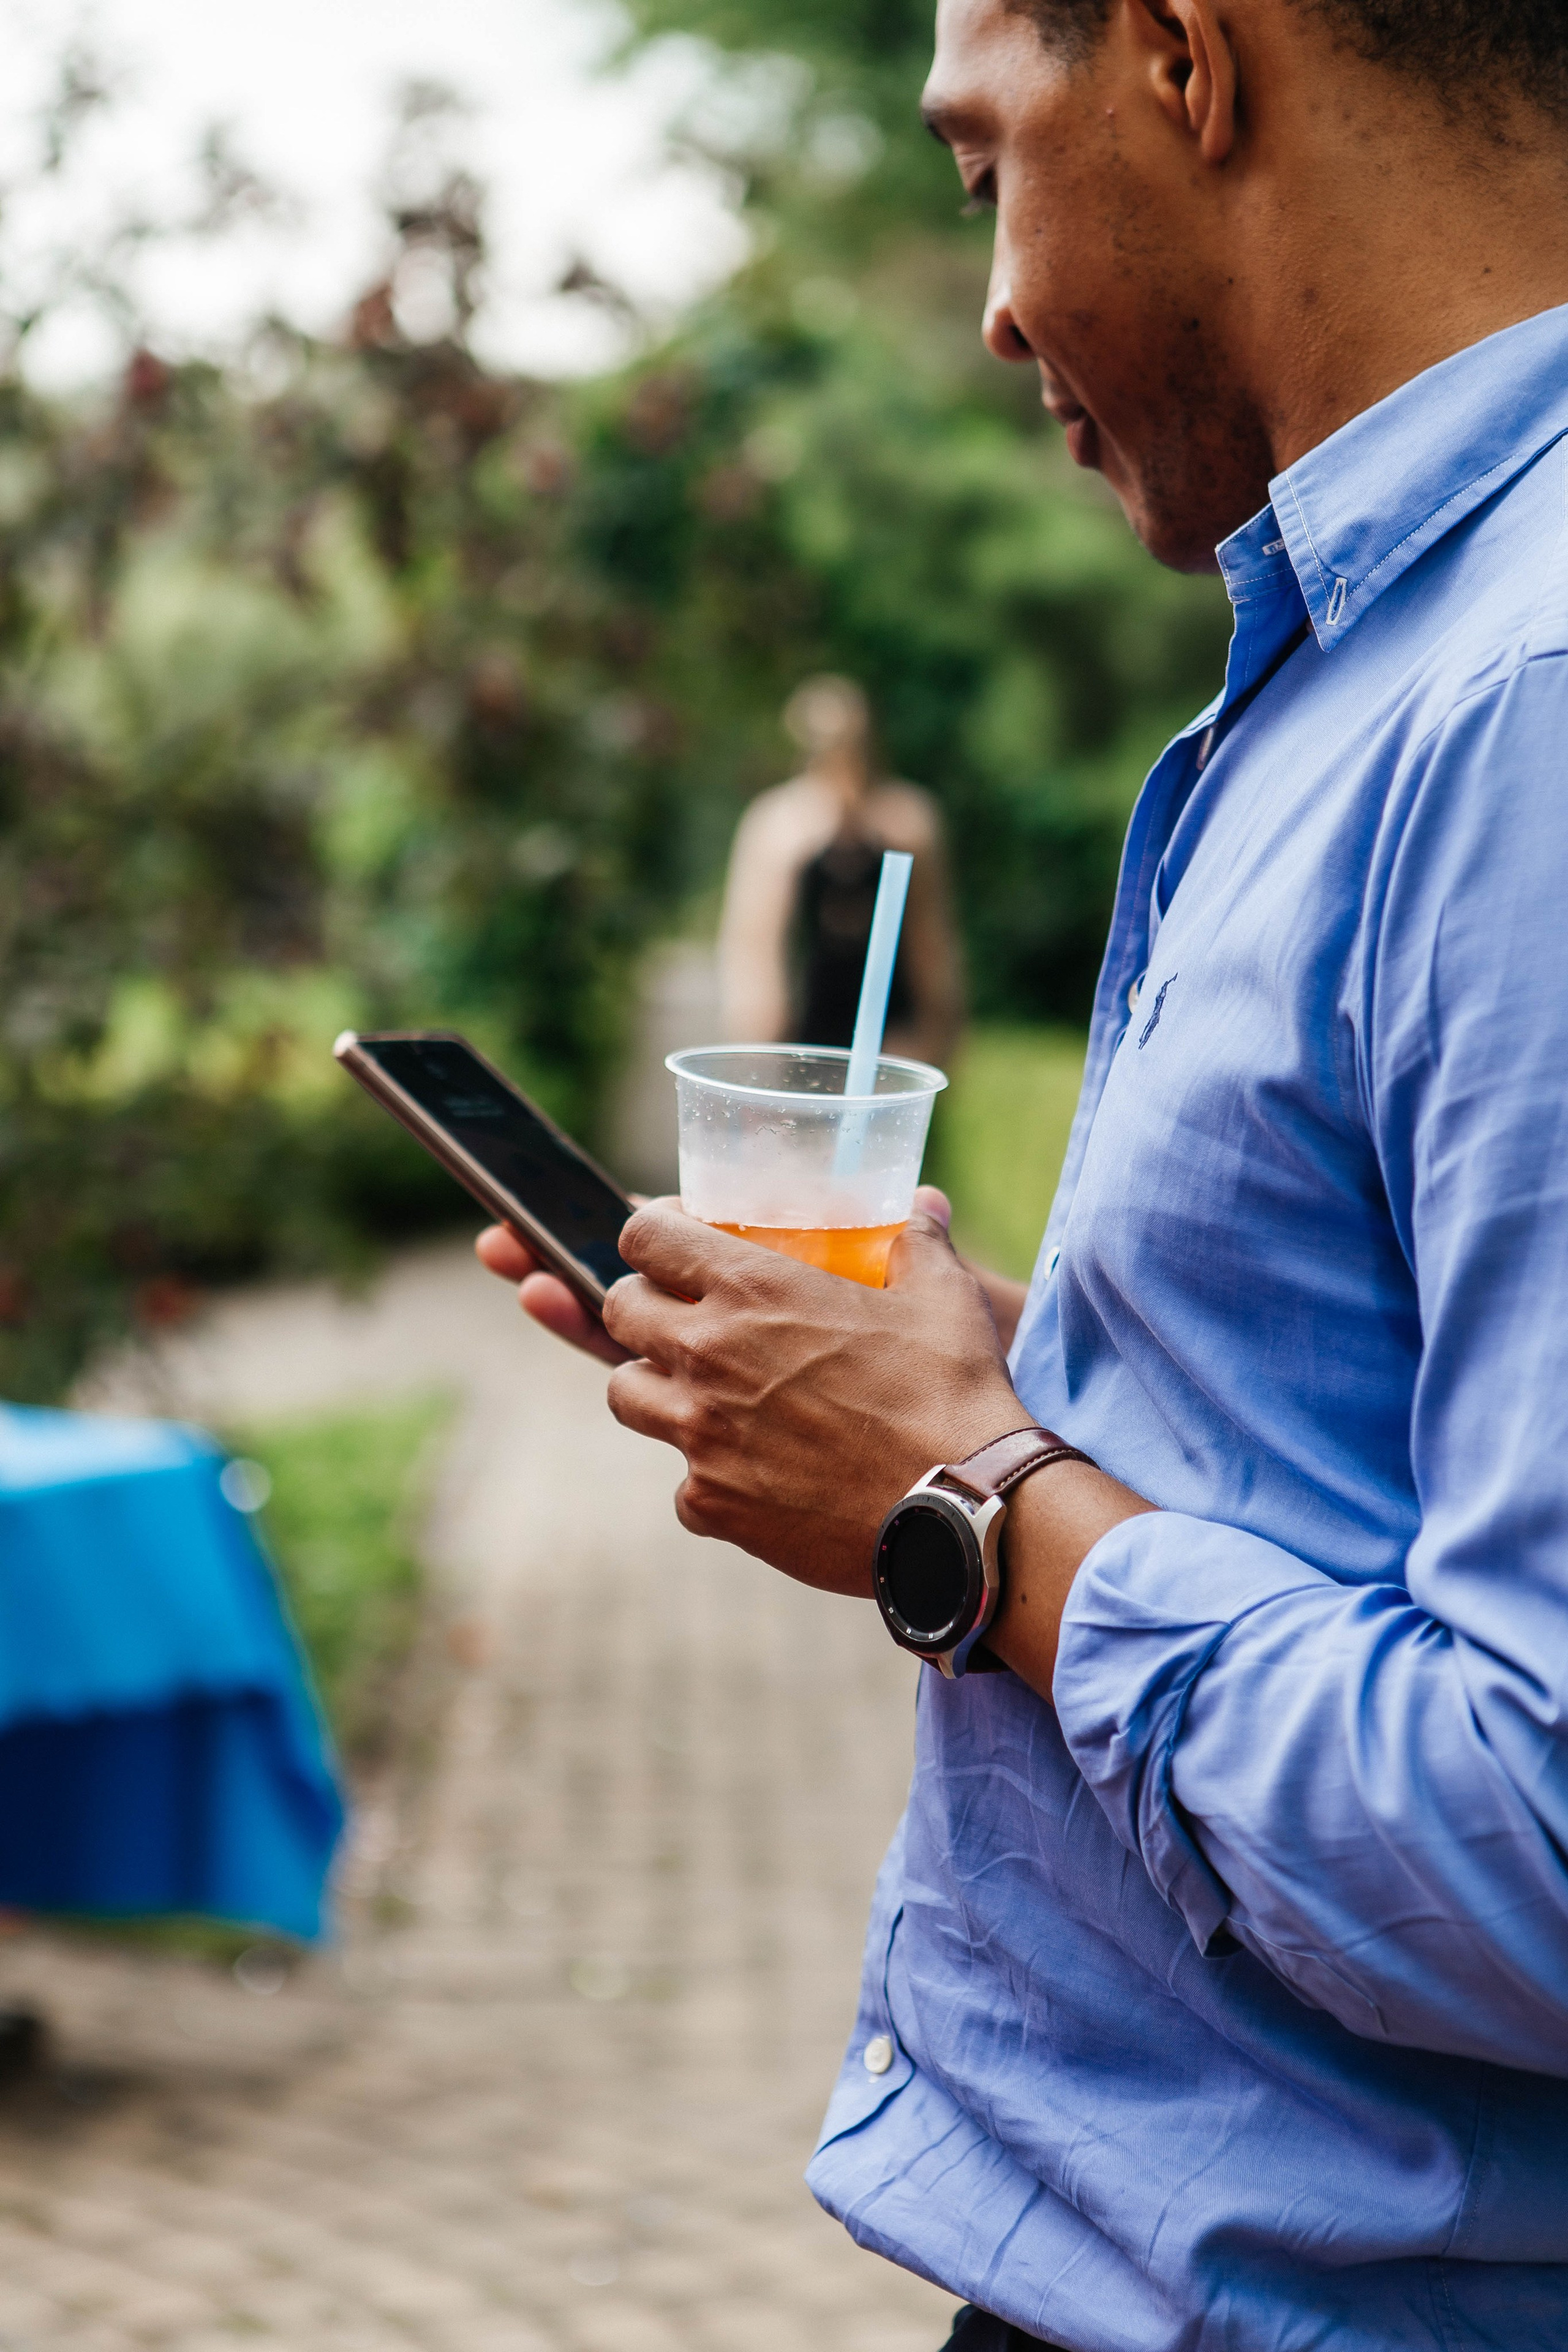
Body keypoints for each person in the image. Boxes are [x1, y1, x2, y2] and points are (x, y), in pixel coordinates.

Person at [480, 0, 1568, 2343]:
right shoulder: (1377, 651)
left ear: (1188, 60)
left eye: (981, 164)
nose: (983, 301)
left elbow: (1543, 1842)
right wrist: (1016, 1388)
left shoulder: (1521, 700)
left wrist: (963, 1495)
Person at [716, 675, 963, 1069]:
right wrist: (760, 1051)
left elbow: (929, 940)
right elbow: (754, 948)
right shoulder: (779, 824)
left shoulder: (906, 820)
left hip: (891, 1045)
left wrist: (936, 1033)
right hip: (800, 1044)